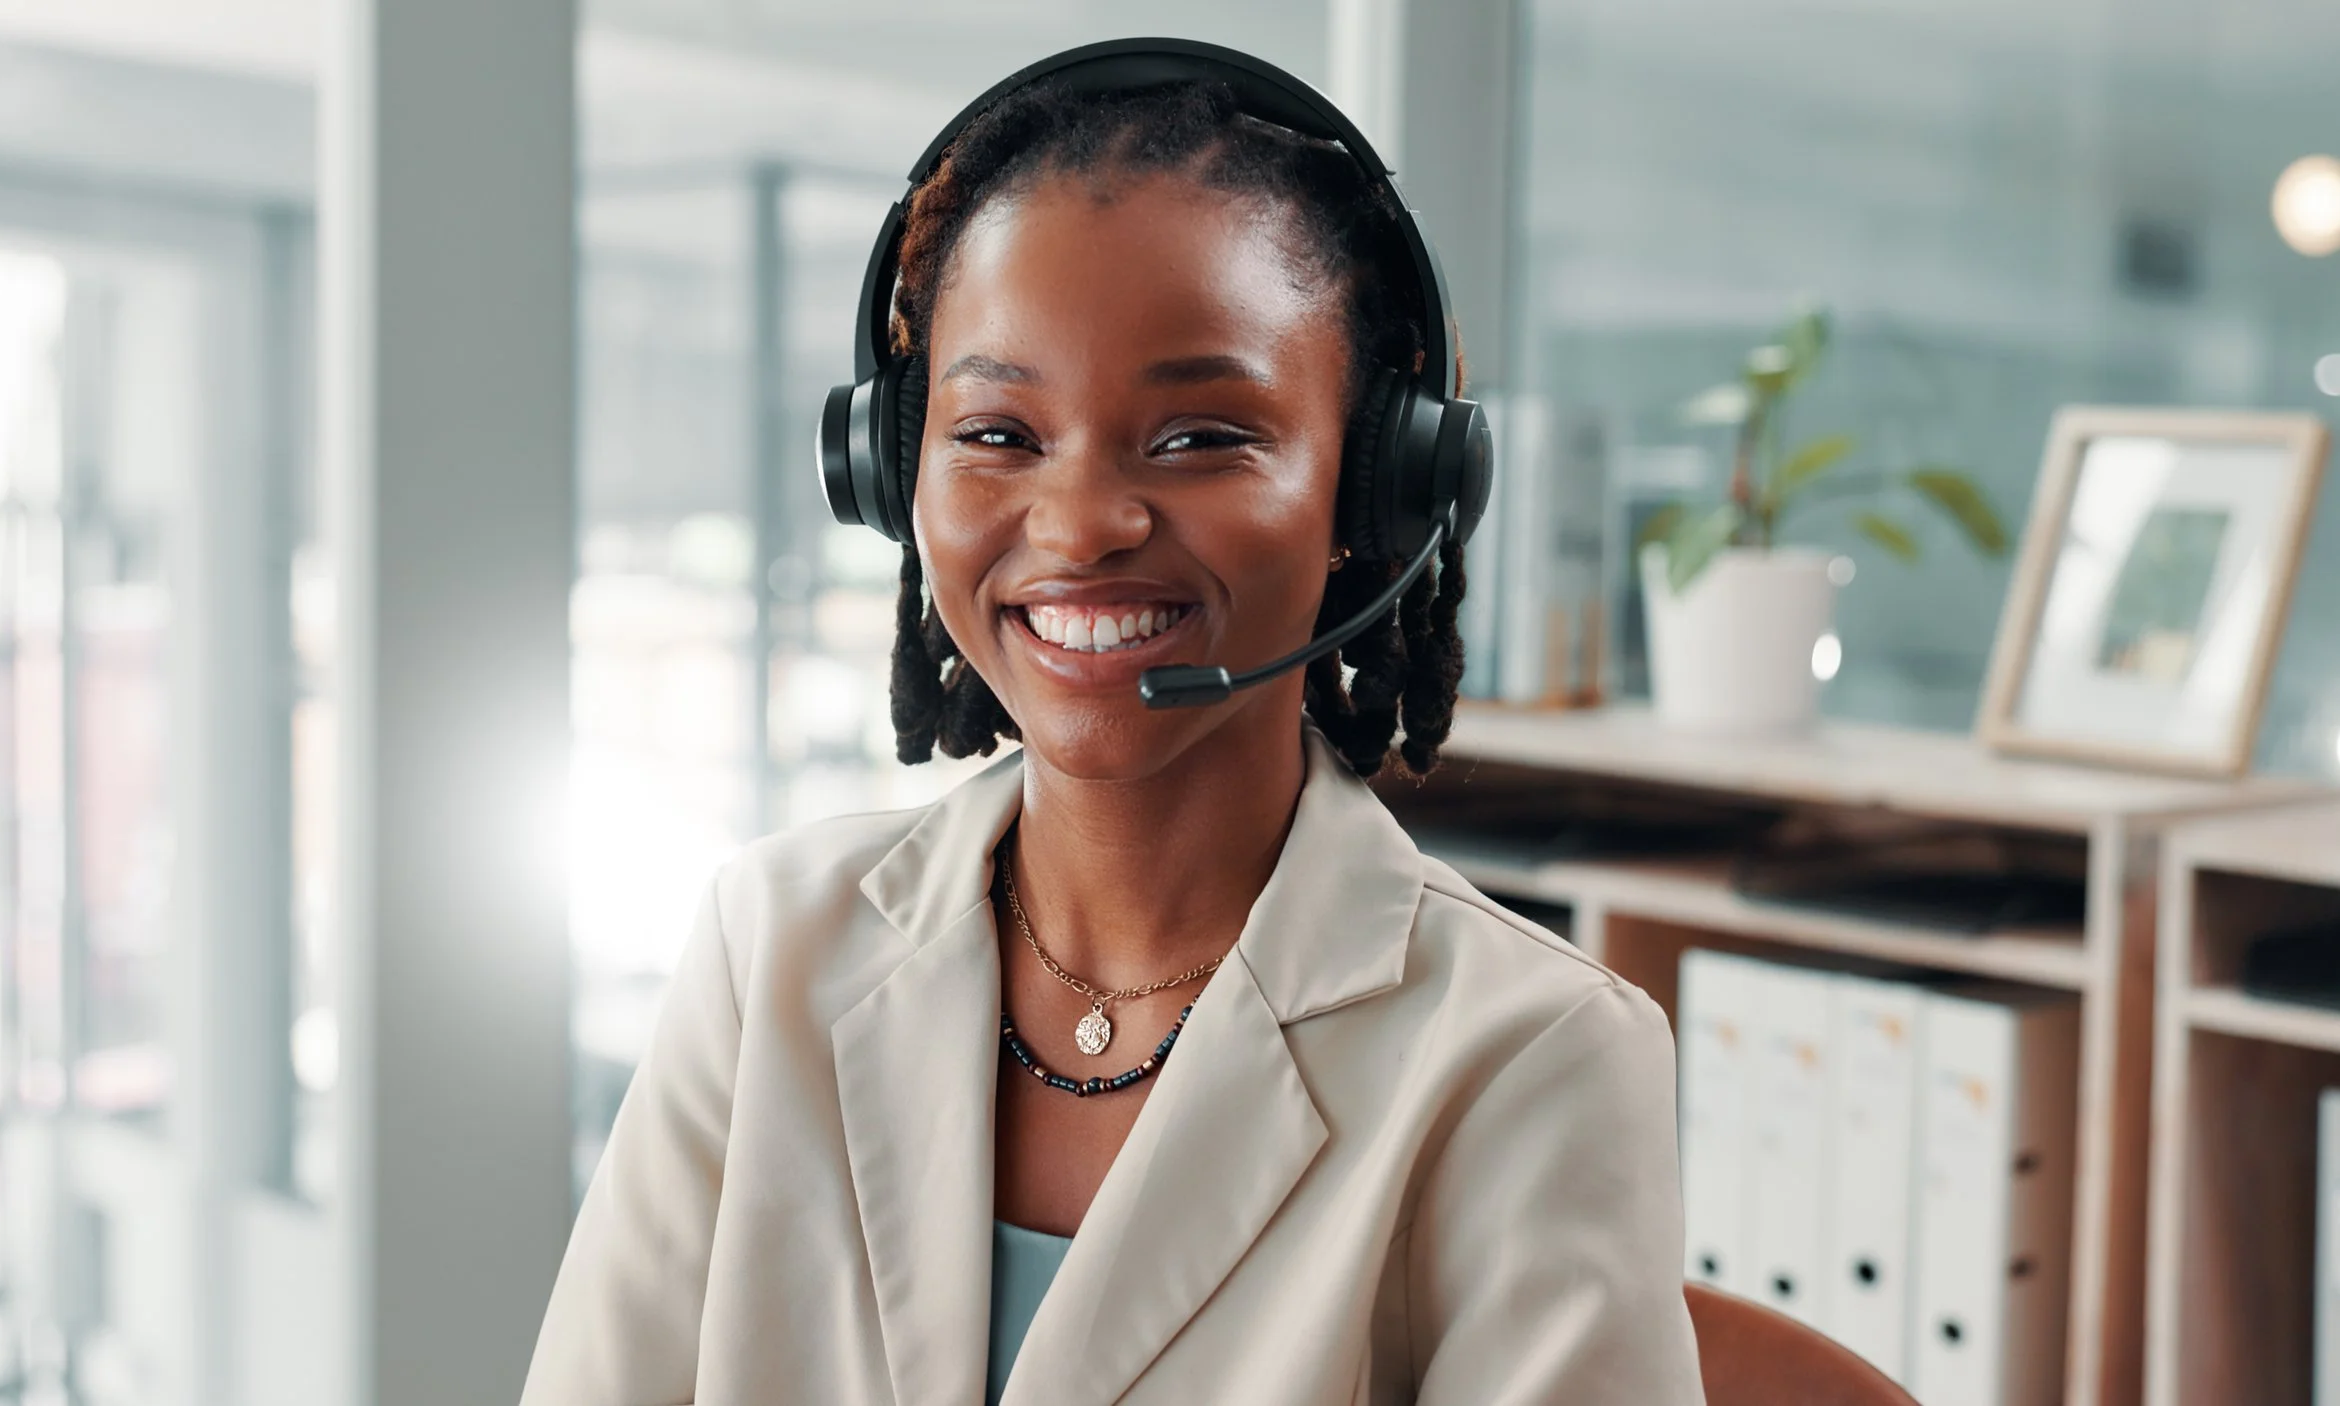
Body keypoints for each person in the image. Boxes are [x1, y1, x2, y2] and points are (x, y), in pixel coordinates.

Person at [521, 42, 1704, 1406]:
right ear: (888, 468)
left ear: (1375, 492)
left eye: (1201, 436)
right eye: (997, 435)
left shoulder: (1528, 1056)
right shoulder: (769, 950)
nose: (1080, 525)